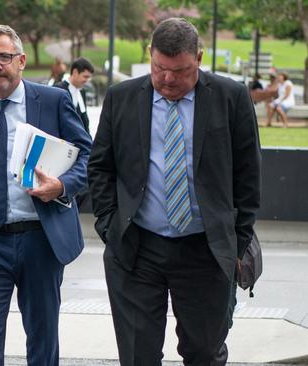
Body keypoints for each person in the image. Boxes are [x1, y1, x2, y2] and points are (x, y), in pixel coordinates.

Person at [87, 18, 260, 366]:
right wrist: (110, 226)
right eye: (159, 68)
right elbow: (100, 167)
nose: (167, 79)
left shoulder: (231, 97)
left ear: (198, 57)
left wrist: (236, 242)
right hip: (137, 249)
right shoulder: (121, 97)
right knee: (138, 356)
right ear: (150, 56)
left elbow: (249, 175)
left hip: (205, 251)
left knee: (204, 353)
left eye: (179, 71)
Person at [0, 24, 92, 365]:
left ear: (21, 60)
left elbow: (88, 156)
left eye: (4, 57)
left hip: (40, 237)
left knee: (42, 338)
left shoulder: (53, 101)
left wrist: (63, 186)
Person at [53, 57, 95, 134]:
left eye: (89, 78)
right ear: (75, 72)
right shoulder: (58, 89)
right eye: (85, 76)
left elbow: (84, 119)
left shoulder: (82, 91)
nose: (87, 81)